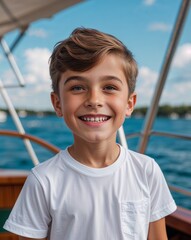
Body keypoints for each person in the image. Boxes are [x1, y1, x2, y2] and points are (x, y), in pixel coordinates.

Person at [4, 27, 176, 240]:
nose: (94, 100)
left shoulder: (147, 171)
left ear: (129, 103)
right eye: (77, 88)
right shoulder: (44, 181)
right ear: (58, 104)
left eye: (110, 87)